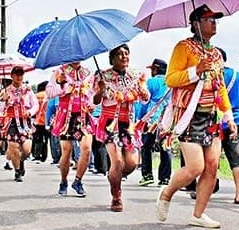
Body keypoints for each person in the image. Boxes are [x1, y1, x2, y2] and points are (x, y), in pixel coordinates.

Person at [155, 5, 236, 229]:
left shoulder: (216, 54)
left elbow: (219, 87)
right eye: (208, 19)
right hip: (188, 115)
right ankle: (167, 192)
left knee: (211, 167)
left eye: (215, 19)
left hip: (211, 116)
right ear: (195, 23)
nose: (214, 22)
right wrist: (196, 70)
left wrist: (228, 115)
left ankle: (198, 214)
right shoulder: (183, 47)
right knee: (195, 167)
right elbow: (171, 79)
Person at [93, 44, 150, 211]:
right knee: (117, 161)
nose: (124, 57)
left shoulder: (136, 76)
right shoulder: (103, 76)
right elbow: (94, 101)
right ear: (112, 58)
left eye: (126, 53)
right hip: (110, 123)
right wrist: (100, 91)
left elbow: (144, 97)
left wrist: (145, 93)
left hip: (128, 124)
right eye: (119, 54)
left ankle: (114, 175)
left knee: (131, 163)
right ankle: (116, 196)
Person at [47, 61, 94, 197]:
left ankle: (78, 181)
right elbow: (49, 92)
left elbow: (92, 93)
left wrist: (91, 103)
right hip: (65, 116)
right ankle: (63, 181)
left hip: (83, 115)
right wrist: (63, 85)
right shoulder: (60, 71)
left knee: (87, 149)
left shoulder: (88, 72)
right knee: (66, 152)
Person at [218, 48, 239, 204]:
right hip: (237, 120)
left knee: (211, 159)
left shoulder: (211, 77)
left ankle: (205, 189)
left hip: (216, 121)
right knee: (238, 159)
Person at [0, 66, 39, 182]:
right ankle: (17, 171)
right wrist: (3, 100)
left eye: (21, 74)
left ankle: (21, 161)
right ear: (12, 76)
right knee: (14, 147)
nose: (19, 77)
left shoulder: (28, 90)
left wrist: (30, 112)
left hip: (25, 121)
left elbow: (35, 105)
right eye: (16, 74)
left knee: (27, 149)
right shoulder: (5, 91)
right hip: (11, 122)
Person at [137, 58, 172, 187]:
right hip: (167, 120)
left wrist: (140, 119)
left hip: (151, 120)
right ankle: (165, 178)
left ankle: (147, 175)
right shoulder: (171, 83)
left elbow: (144, 102)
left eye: (152, 69)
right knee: (165, 147)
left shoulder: (150, 82)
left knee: (146, 146)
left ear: (156, 69)